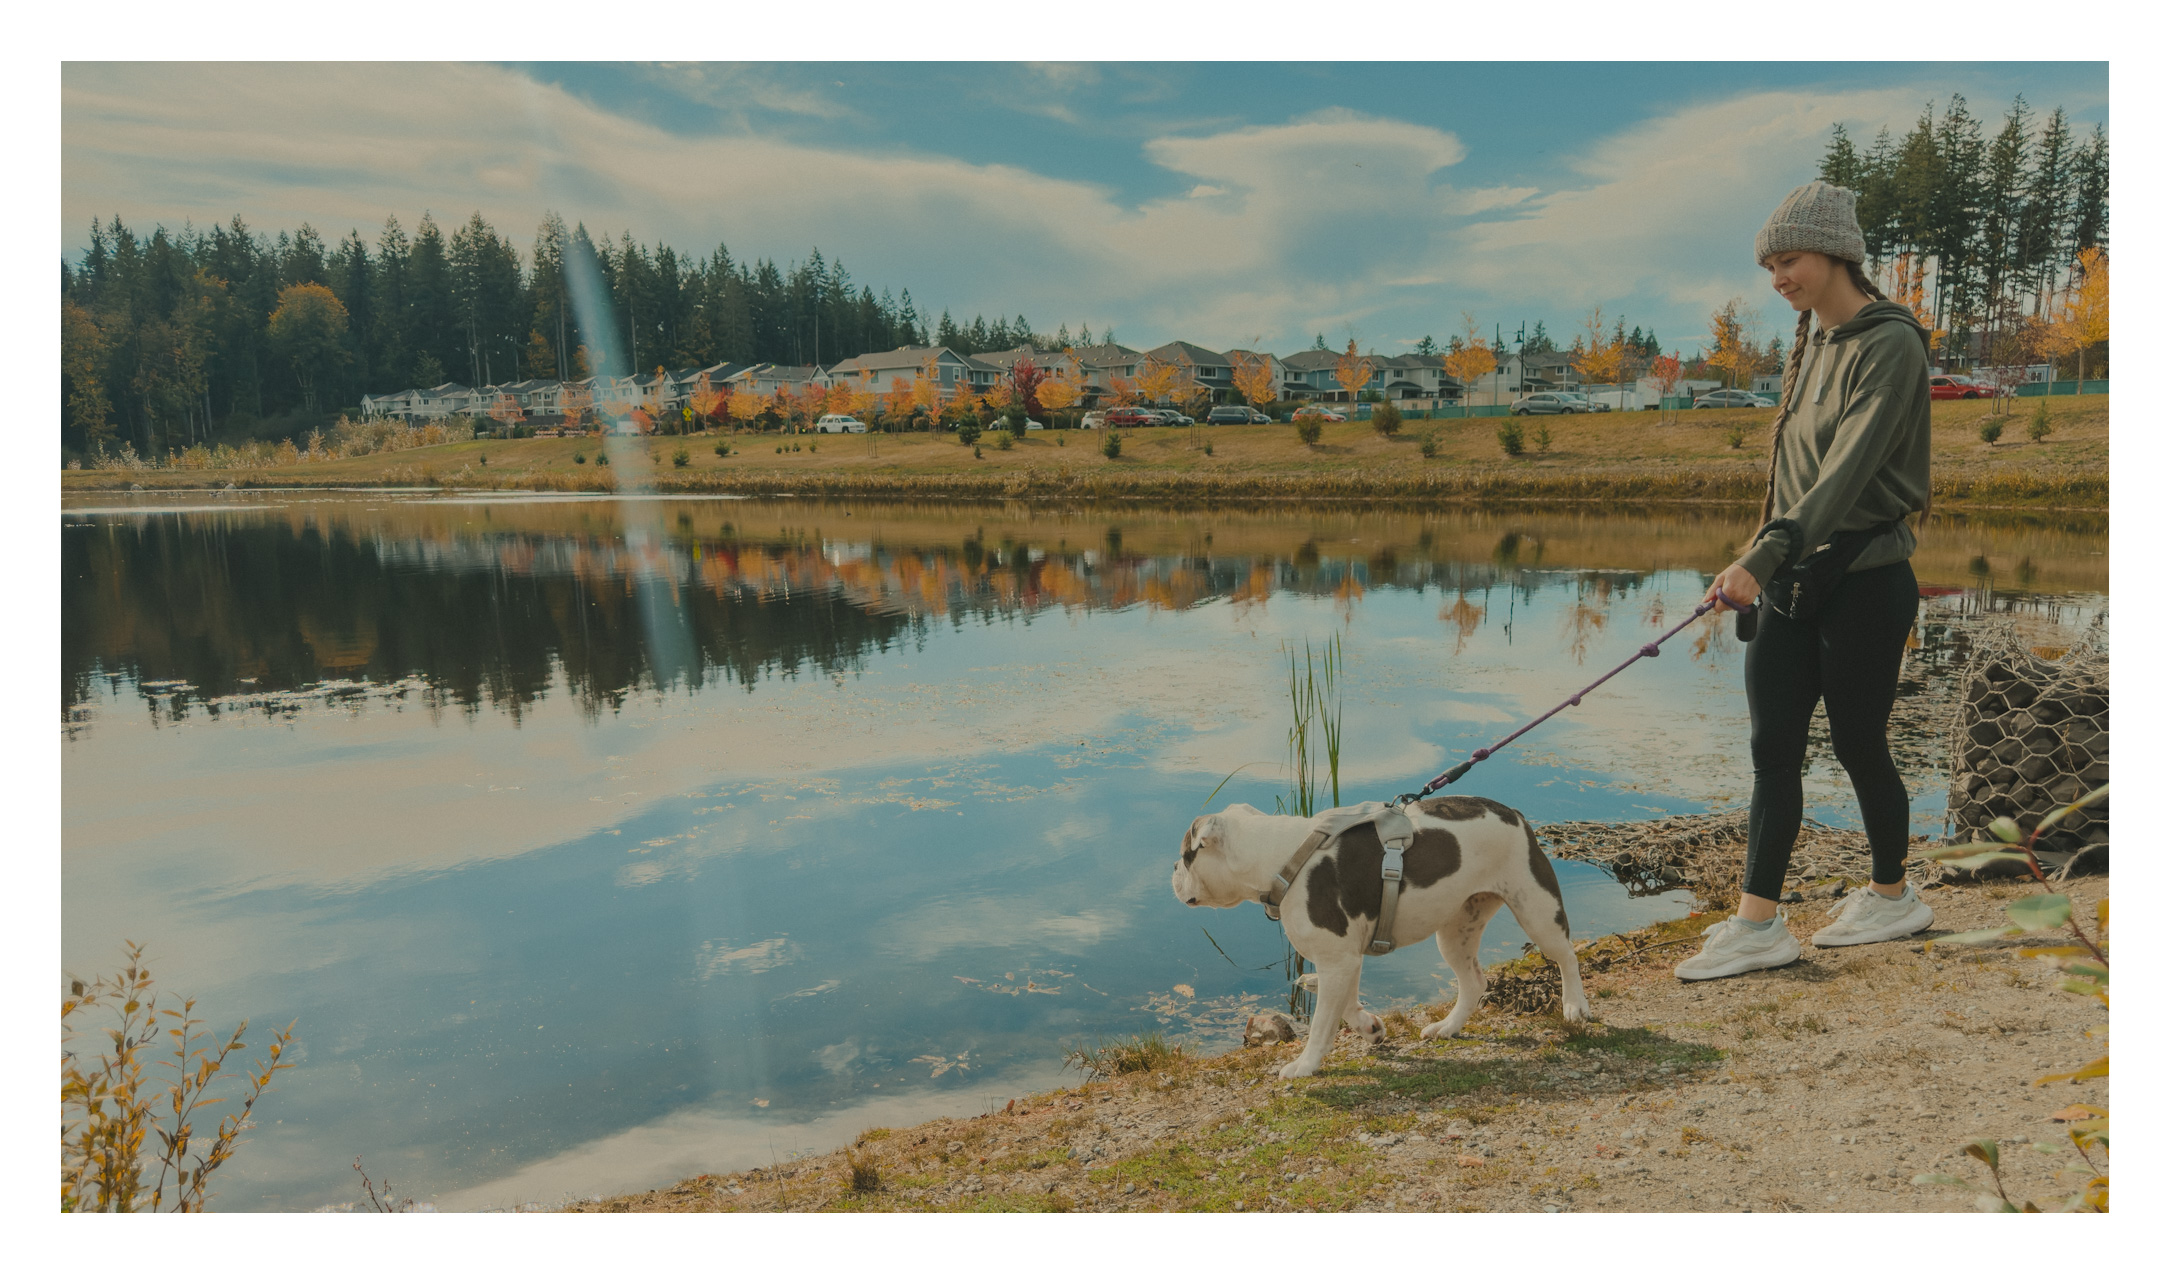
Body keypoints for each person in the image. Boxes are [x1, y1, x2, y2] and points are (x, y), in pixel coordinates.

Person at [1675, 181, 1936, 981]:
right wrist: (1765, 557)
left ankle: (1894, 897)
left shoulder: (1889, 344)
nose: (1778, 278)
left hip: (1865, 580)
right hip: (1794, 576)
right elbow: (1793, 483)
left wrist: (1760, 558)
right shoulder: (1811, 344)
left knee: (1860, 745)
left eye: (1787, 260)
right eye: (1770, 266)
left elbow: (1848, 477)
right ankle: (1760, 925)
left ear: (1835, 254)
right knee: (1772, 749)